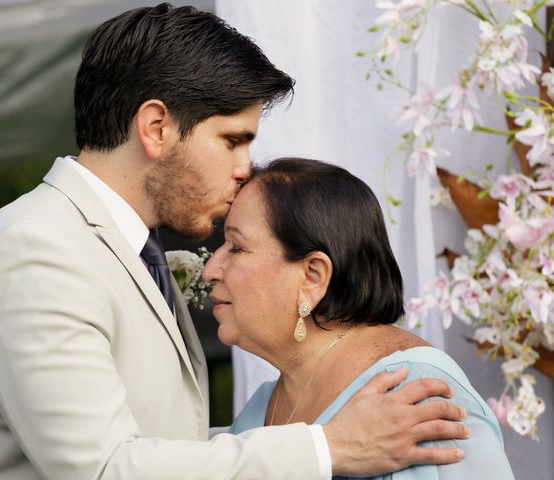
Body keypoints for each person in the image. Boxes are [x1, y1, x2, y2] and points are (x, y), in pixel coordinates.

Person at [0, 4, 469, 480]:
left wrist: (326, 418)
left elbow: (163, 446)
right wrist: (330, 447)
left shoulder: (127, 249)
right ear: (157, 127)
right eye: (232, 140)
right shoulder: (34, 251)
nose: (244, 169)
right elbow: (104, 469)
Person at [203, 157, 515, 479]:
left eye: (236, 247)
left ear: (313, 275)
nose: (209, 270)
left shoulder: (419, 391)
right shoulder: (260, 409)